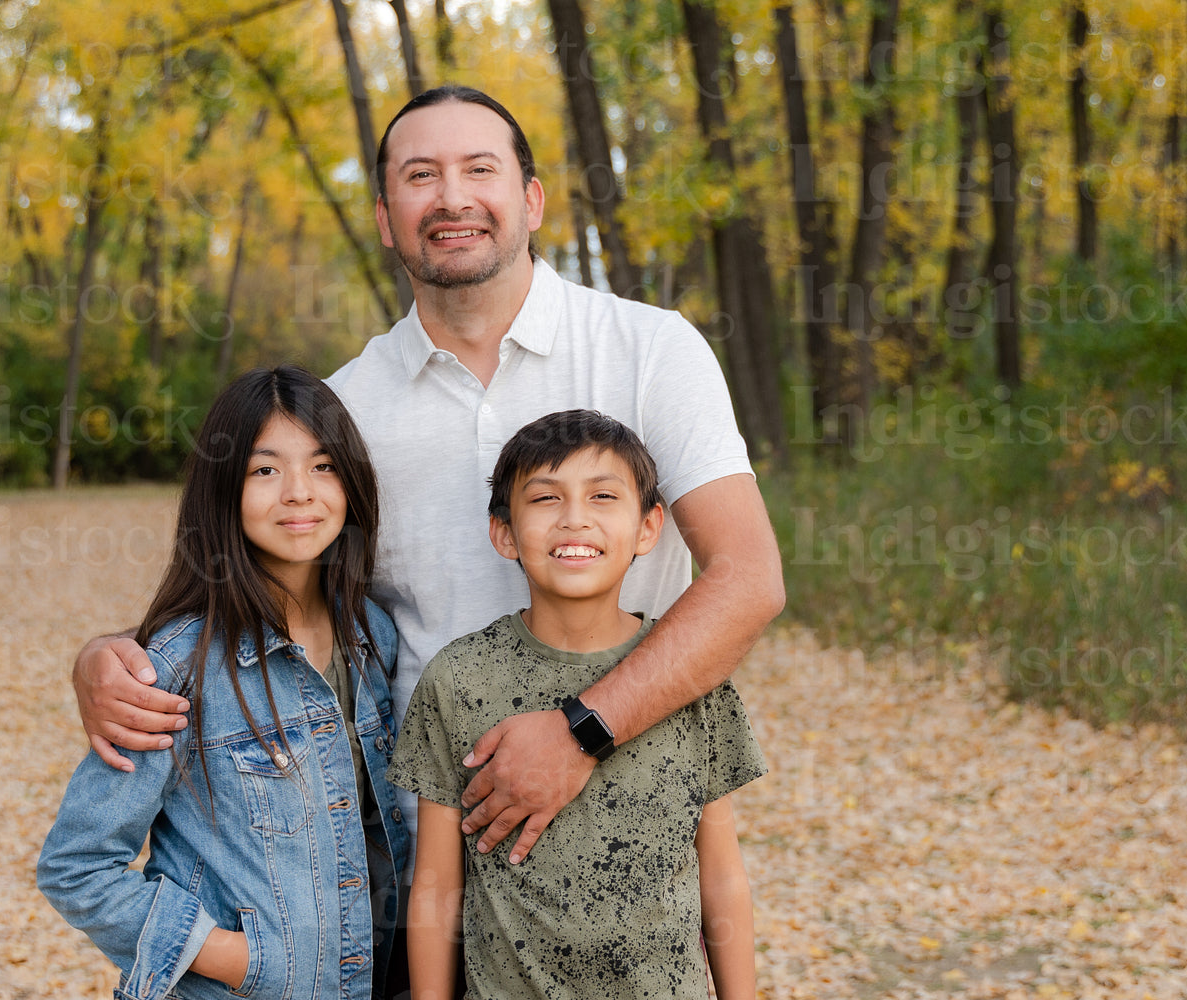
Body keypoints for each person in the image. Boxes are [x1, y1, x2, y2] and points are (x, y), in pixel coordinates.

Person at [73, 84, 782, 870]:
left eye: (480, 170)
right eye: (420, 176)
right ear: (384, 218)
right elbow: (258, 596)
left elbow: (748, 579)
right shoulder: (343, 411)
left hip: (633, 848)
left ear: (532, 199)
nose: (452, 199)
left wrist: (581, 731)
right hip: (427, 863)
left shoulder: (652, 350)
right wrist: (113, 658)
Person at [38, 366, 409, 1000]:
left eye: (323, 466)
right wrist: (241, 959)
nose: (298, 493)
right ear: (223, 490)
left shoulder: (372, 633)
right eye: (264, 471)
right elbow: (78, 867)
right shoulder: (179, 667)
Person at [389, 409, 766, 1000]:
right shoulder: (458, 680)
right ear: (504, 532)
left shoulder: (687, 676)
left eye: (603, 496)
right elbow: (437, 885)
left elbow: (721, 874)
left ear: (648, 528)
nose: (574, 520)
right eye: (544, 499)